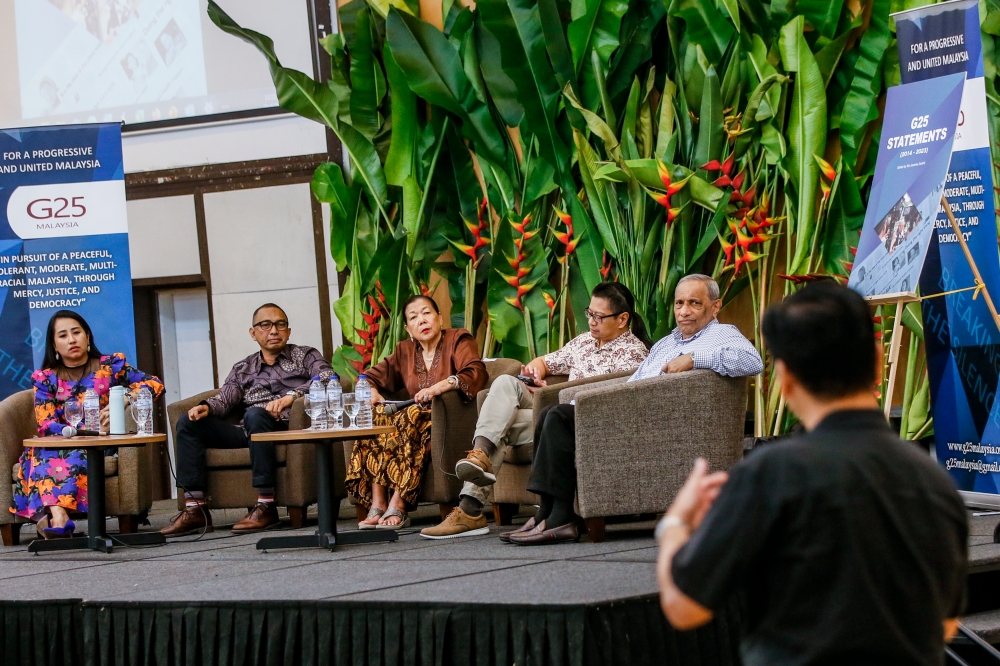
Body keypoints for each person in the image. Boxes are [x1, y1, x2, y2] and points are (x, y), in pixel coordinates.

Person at [657, 281, 967, 665]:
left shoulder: (770, 475)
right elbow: (946, 625)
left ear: (785, 379)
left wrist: (674, 525)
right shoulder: (936, 481)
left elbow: (685, 607)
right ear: (877, 361)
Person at [509, 274, 763, 545]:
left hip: (661, 424)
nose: (684, 311)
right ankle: (547, 513)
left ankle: (561, 519)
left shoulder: (723, 334)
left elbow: (752, 361)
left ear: (715, 306)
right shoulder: (668, 342)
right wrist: (588, 402)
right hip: (633, 412)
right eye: (679, 303)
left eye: (694, 303)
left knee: (559, 417)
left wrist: (694, 358)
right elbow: (635, 383)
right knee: (552, 412)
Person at [421, 282, 650, 539]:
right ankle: (480, 454)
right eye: (589, 313)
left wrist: (549, 394)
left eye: (599, 316)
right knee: (507, 383)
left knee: (501, 423)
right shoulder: (584, 342)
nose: (591, 321)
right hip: (554, 410)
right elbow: (542, 362)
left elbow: (611, 400)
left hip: (578, 421)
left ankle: (469, 509)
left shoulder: (632, 354)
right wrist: (534, 377)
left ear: (622, 319)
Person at [161, 303, 332, 537]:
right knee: (189, 423)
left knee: (255, 414)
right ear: (253, 333)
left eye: (280, 325)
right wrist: (206, 408)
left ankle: (266, 504)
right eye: (266, 325)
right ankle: (195, 509)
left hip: (289, 428)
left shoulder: (304, 355)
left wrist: (291, 397)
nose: (274, 331)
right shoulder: (243, 368)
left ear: (288, 331)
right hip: (250, 430)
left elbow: (328, 376)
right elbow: (226, 399)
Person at [10, 310, 164, 539]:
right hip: (65, 440)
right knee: (40, 449)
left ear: (88, 337)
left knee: (37, 456)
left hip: (103, 443)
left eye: (76, 332)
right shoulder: (46, 379)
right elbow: (46, 424)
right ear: (54, 345)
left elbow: (155, 383)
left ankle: (50, 520)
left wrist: (125, 398)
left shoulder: (111, 367)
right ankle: (59, 515)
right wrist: (74, 432)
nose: (72, 340)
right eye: (63, 335)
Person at [348, 295, 488, 530]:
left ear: (439, 317)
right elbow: (369, 376)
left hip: (449, 422)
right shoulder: (404, 350)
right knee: (377, 415)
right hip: (411, 423)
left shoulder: (458, 338)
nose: (422, 320)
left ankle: (399, 503)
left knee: (411, 416)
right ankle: (378, 502)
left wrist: (441, 386)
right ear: (408, 328)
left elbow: (475, 372)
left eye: (427, 313)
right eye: (414, 317)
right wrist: (371, 391)